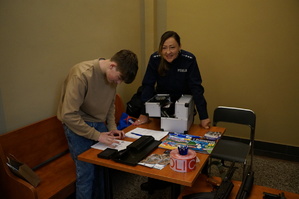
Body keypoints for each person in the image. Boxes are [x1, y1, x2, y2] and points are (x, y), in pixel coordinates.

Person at [57, 49, 138, 199]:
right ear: (112, 65)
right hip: (77, 126)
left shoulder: (112, 76)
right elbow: (68, 115)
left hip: (98, 125)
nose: (118, 83)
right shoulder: (81, 74)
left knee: (102, 170)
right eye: (119, 78)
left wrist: (112, 128)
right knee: (86, 174)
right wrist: (97, 135)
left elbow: (110, 105)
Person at [133, 31, 210, 129]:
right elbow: (148, 85)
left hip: (184, 106)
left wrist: (204, 116)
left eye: (172, 47)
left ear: (179, 47)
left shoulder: (189, 60)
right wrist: (144, 113)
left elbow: (196, 89)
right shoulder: (155, 59)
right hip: (162, 105)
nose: (168, 52)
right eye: (164, 48)